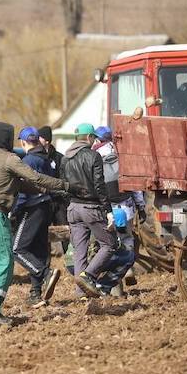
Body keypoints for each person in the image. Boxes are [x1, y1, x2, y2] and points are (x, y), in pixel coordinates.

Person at [0, 123, 69, 327]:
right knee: (4, 262)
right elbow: (35, 178)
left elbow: (23, 185)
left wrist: (42, 191)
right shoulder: (10, 158)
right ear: (7, 139)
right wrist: (64, 186)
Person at [60, 123, 114, 298]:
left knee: (80, 251)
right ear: (90, 137)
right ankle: (88, 276)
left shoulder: (65, 158)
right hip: (91, 208)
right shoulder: (93, 156)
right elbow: (99, 185)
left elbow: (63, 186)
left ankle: (80, 292)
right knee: (109, 244)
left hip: (73, 209)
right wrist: (108, 210)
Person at [11, 127, 62, 308]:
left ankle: (45, 274)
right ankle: (36, 293)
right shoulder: (45, 158)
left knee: (16, 249)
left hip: (31, 209)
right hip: (45, 207)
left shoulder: (27, 161)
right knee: (38, 250)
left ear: (23, 142)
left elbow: (24, 191)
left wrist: (14, 211)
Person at [92, 126, 144, 295]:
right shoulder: (123, 156)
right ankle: (128, 269)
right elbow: (135, 187)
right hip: (126, 207)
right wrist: (141, 207)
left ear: (99, 140)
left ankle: (116, 289)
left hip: (108, 211)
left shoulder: (95, 157)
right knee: (127, 239)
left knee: (110, 246)